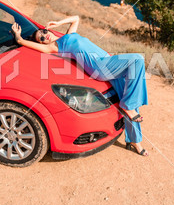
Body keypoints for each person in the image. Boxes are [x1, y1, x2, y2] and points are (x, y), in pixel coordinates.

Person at [11, 16, 149, 156]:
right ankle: (128, 105)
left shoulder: (69, 35)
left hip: (107, 61)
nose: (44, 37)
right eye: (41, 38)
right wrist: (19, 37)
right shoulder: (54, 46)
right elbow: (22, 42)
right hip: (99, 67)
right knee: (137, 59)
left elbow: (76, 19)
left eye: (44, 32)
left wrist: (58, 22)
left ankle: (135, 141)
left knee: (129, 97)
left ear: (49, 30)